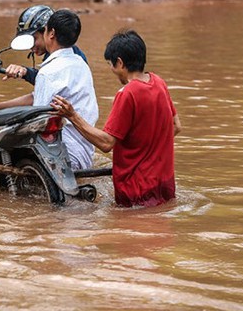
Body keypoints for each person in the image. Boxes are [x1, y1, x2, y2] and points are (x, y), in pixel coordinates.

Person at [51, 29, 181, 208]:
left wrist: (72, 115)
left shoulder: (128, 94)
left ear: (120, 63)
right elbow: (176, 126)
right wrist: (150, 152)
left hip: (136, 189)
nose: (112, 70)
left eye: (111, 64)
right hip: (165, 185)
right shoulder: (159, 83)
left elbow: (106, 143)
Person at [0, 9, 99, 170]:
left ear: (51, 33)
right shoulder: (81, 64)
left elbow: (38, 120)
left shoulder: (48, 72)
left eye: (40, 34)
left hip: (62, 153)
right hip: (84, 153)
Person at [3, 5, 88, 85]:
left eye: (34, 39)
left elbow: (49, 87)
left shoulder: (68, 57)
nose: (31, 47)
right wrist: (25, 72)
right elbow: (47, 83)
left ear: (49, 32)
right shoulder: (55, 54)